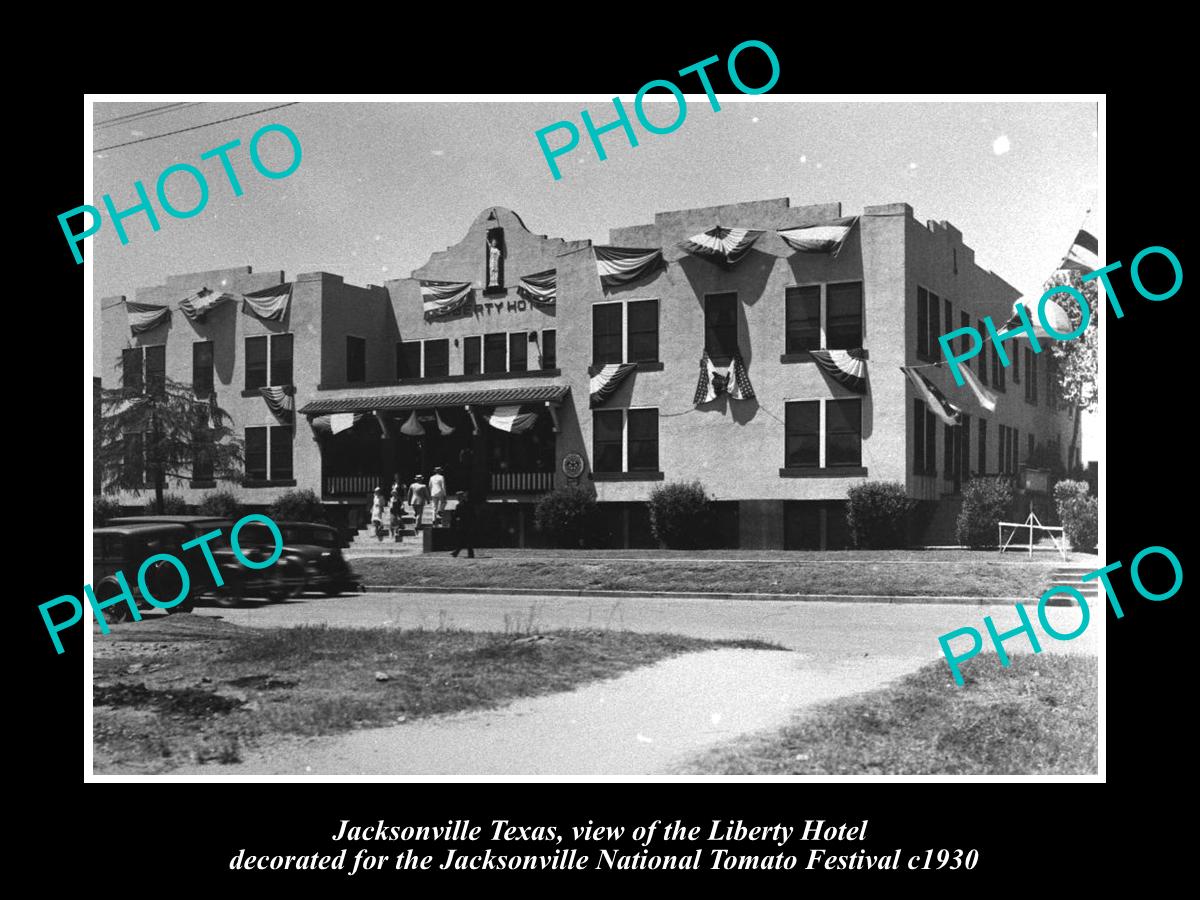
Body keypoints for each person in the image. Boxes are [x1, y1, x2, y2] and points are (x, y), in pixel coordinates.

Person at [450, 491, 476, 558]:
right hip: (468, 524)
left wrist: (454, 521)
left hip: (462, 524)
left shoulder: (460, 505)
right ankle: (458, 552)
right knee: (466, 539)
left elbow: (455, 515)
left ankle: (458, 552)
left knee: (462, 539)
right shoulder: (469, 504)